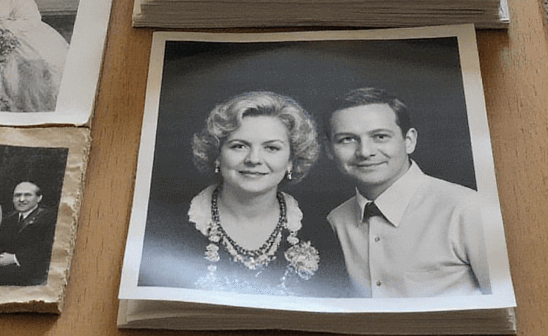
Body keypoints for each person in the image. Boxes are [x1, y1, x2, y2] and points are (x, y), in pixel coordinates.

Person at [141, 90, 322, 294]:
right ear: (217, 155)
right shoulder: (166, 229)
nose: (254, 159)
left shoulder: (321, 231)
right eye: (239, 146)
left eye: (271, 148)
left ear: (291, 160)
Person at [322, 88, 490, 298]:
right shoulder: (335, 221)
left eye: (380, 136)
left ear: (409, 141)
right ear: (329, 149)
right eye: (347, 139)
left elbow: (507, 307)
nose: (365, 152)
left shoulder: (468, 209)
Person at [0, 180, 56, 287]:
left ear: (39, 198)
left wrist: (15, 258)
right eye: (17, 195)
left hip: (34, 279)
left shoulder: (50, 219)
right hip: (4, 277)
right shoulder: (8, 219)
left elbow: (47, 248)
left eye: (27, 195)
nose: (21, 199)